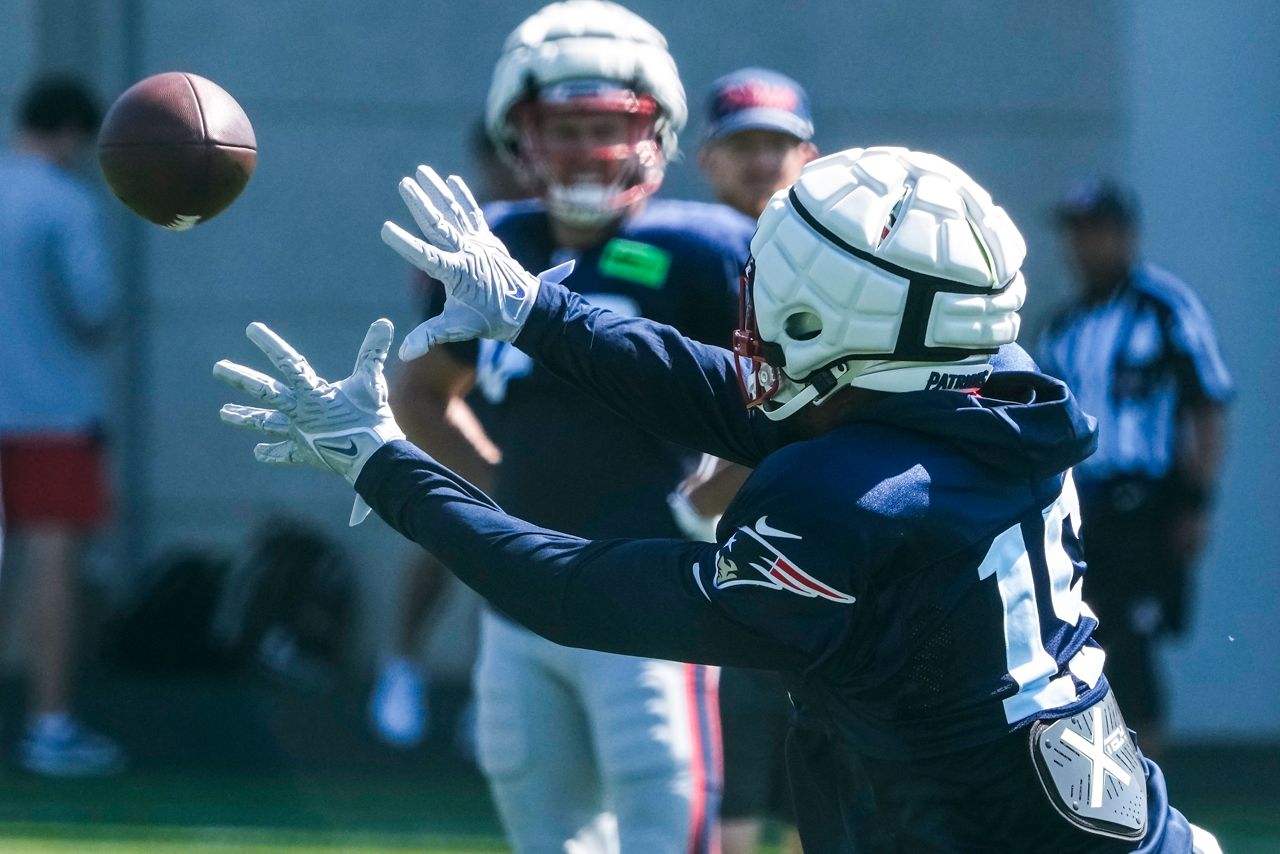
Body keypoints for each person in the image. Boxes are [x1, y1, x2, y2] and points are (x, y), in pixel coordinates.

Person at [216, 147, 1224, 852]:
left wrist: (381, 465)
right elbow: (734, 397)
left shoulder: (850, 504)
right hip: (1118, 823)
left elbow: (580, 587)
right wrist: (536, 309)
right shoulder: (987, 385)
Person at [372, 2, 751, 849]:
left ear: (655, 132)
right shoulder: (493, 241)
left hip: (653, 588)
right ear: (520, 137)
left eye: (604, 125)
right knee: (544, 833)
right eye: (564, 126)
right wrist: (495, 493)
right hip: (521, 593)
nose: (585, 148)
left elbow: (777, 406)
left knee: (666, 822)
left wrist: (705, 507)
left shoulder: (707, 246)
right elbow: (422, 390)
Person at [1038, 179, 1232, 762]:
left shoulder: (1166, 310)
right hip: (1080, 506)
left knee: (1135, 646)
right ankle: (1091, 787)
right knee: (1078, 641)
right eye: (1075, 234)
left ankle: (1150, 789)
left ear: (1124, 235)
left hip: (1145, 504)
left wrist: (1196, 503)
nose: (1083, 247)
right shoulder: (1062, 327)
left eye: (1095, 232)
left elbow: (1209, 404)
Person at [368, 119, 526, 751]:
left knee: (524, 551)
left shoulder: (558, 228)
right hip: (465, 403)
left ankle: (495, 687)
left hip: (536, 411)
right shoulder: (467, 236)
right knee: (442, 539)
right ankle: (401, 665)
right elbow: (437, 351)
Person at [691, 67, 818, 854]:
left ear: (810, 154)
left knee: (824, 770)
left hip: (817, 542)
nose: (762, 160)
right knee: (726, 774)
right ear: (707, 158)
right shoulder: (678, 253)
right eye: (744, 144)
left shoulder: (834, 263)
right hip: (709, 548)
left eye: (777, 143)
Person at [0, 74, 126, 777]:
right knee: (52, 564)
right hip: (51, 412)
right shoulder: (63, 202)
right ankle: (50, 725)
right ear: (73, 133)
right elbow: (95, 309)